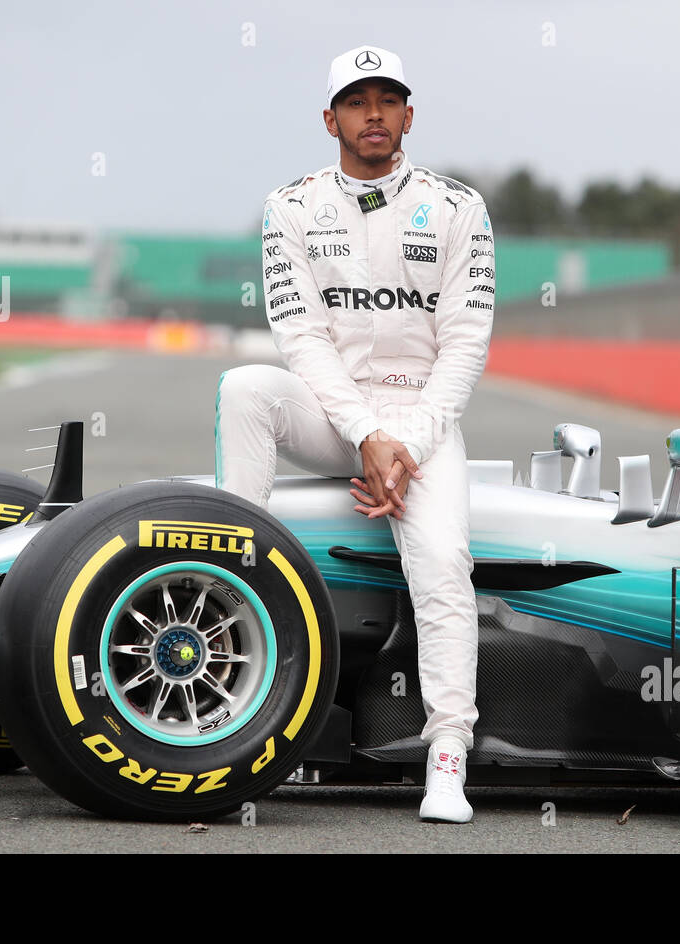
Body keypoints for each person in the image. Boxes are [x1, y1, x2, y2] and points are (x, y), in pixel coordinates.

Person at [214, 44, 495, 823]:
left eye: (388, 100)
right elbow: (301, 339)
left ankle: (447, 756)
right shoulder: (292, 206)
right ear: (330, 118)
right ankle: (232, 611)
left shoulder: (458, 207)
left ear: (409, 114)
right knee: (245, 388)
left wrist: (407, 445)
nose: (374, 114)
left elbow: (465, 343)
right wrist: (367, 434)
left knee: (443, 563)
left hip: (424, 420)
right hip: (334, 413)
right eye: (356, 101)